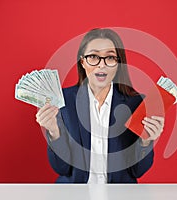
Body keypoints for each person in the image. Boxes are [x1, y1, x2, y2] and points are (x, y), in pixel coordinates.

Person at [36, 28, 164, 183]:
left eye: (109, 58)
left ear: (118, 64)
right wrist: (54, 133)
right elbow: (61, 168)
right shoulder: (63, 101)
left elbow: (137, 171)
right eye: (93, 56)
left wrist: (146, 141)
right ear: (83, 62)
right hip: (74, 194)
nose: (101, 65)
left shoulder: (136, 103)